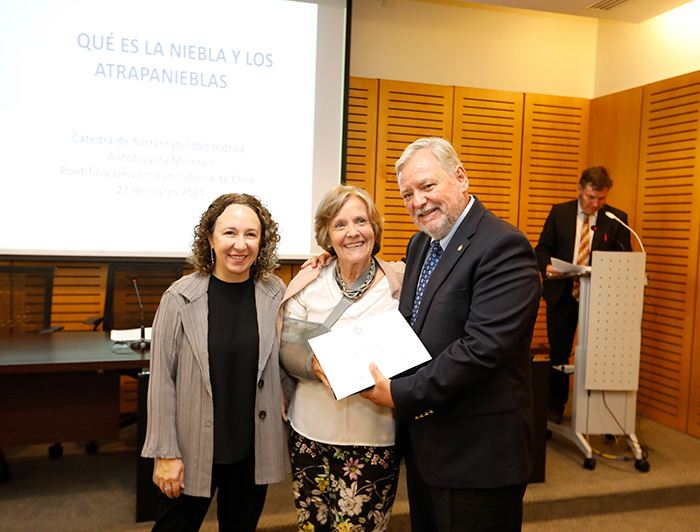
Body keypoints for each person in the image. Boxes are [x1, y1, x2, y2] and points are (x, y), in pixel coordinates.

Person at [360, 137, 542, 532]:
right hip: (429, 447)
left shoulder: (503, 246)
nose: (418, 201)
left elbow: (481, 350)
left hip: (479, 455)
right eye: (408, 193)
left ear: (460, 177)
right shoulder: (423, 242)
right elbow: (409, 325)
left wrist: (397, 393)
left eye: (428, 186)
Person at [141, 193, 290, 532]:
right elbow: (162, 380)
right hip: (192, 449)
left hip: (251, 452)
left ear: (262, 241)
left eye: (251, 234)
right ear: (209, 238)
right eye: (229, 233)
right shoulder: (179, 298)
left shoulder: (274, 293)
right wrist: (165, 453)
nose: (240, 244)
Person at [276, 185, 405, 532]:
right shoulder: (309, 281)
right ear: (327, 235)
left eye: (361, 221)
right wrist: (313, 366)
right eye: (340, 224)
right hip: (308, 434)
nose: (352, 232)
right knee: (312, 526)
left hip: (373, 438)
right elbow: (286, 350)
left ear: (374, 229)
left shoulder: (399, 282)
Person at [535, 166, 631, 424]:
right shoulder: (560, 212)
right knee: (559, 353)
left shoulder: (616, 218)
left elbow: (625, 259)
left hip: (600, 300)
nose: (595, 204)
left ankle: (602, 414)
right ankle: (554, 408)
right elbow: (542, 248)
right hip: (563, 294)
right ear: (580, 189)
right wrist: (546, 266)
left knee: (601, 354)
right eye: (590, 197)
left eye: (601, 199)